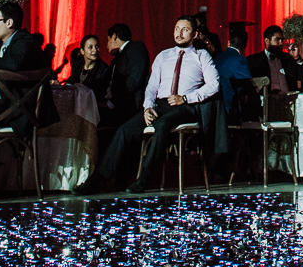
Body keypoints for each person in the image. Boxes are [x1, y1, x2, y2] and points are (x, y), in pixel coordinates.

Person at [127, 15, 221, 193]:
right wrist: (148, 107)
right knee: (125, 129)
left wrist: (186, 98)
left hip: (186, 106)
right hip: (161, 106)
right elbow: (152, 86)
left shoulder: (202, 56)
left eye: (185, 30)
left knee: (163, 124)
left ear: (194, 34)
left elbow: (214, 85)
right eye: (177, 29)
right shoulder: (163, 56)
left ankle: (145, 178)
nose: (179, 33)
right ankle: (98, 178)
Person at [104, 23, 150, 127]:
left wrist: (114, 101)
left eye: (108, 40)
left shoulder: (135, 48)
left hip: (130, 107)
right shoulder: (117, 58)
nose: (107, 45)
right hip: (118, 106)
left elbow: (134, 79)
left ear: (115, 36)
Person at [247, 24, 301, 96]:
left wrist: (296, 58)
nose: (281, 43)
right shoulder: (254, 60)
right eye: (277, 40)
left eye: (282, 40)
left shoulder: (288, 58)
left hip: (289, 99)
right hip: (267, 102)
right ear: (267, 41)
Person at [208, 27, 252, 113]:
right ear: (245, 45)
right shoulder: (240, 60)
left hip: (215, 104)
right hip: (230, 106)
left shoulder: (218, 58)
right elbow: (246, 84)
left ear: (229, 42)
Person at [68, 33, 113, 103]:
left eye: (97, 46)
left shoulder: (104, 69)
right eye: (90, 47)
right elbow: (71, 82)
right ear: (82, 51)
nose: (95, 50)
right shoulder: (77, 65)